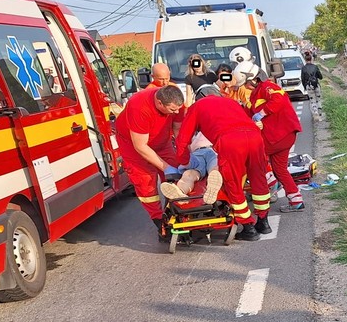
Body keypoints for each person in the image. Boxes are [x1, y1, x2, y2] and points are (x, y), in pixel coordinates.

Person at [172, 84, 271, 240]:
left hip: (229, 141)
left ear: (199, 97)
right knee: (258, 179)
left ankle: (248, 227)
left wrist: (184, 161)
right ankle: (264, 222)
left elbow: (183, 139)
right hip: (254, 137)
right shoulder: (231, 102)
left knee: (233, 183)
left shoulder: (197, 107)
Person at [114, 85, 185, 242]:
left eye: (178, 109)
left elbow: (178, 130)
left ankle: (178, 211)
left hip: (162, 141)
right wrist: (166, 167)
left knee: (177, 176)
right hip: (133, 145)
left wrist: (183, 154)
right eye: (172, 110)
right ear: (159, 103)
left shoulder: (177, 103)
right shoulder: (139, 106)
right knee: (146, 182)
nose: (176, 112)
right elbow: (140, 146)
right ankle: (160, 223)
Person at [235, 61, 304, 213]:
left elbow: (279, 99)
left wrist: (263, 113)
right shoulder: (256, 93)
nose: (245, 87)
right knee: (280, 169)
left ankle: (271, 182)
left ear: (252, 78)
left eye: (245, 83)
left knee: (251, 156)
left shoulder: (267, 87)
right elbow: (249, 113)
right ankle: (296, 200)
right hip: (282, 136)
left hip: (277, 136)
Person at [158, 130, 223, 205]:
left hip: (214, 151)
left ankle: (212, 186)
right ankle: (180, 193)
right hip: (199, 153)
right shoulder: (196, 131)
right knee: (189, 173)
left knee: (213, 170)